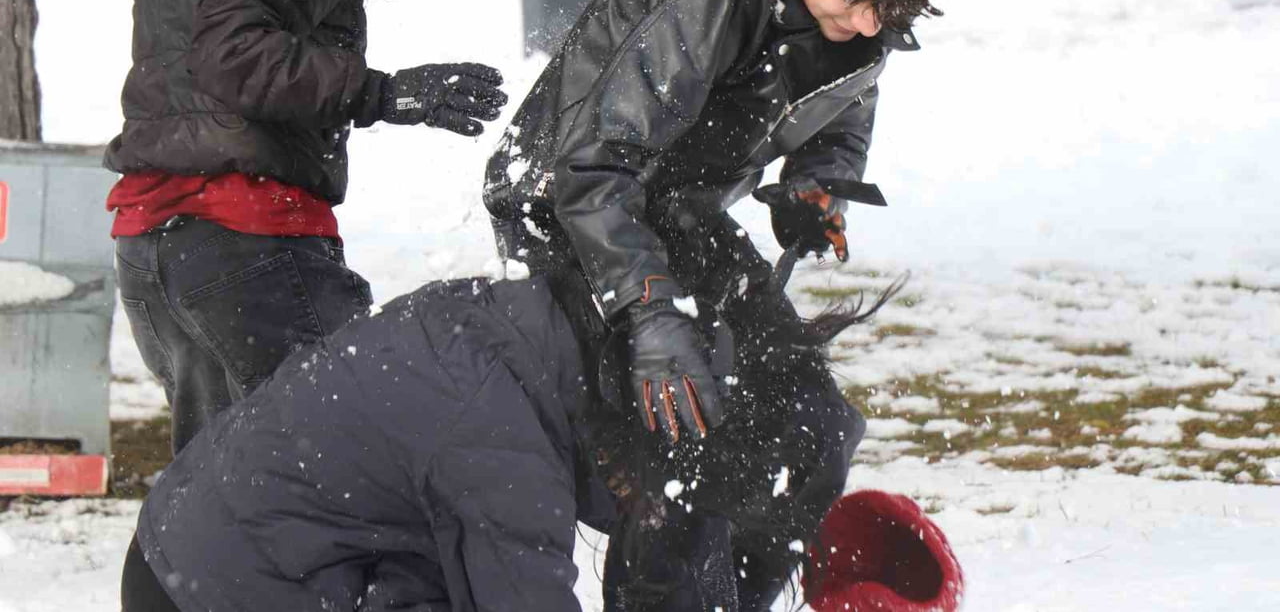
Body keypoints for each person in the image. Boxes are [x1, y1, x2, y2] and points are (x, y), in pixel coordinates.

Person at [483, 0, 952, 609]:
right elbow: (591, 168)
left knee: (815, 434)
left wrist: (820, 180)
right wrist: (649, 310)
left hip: (676, 207)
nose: (871, 24)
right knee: (695, 439)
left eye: (888, 9)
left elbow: (844, 90)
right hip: (572, 209)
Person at [118, 209, 890, 612]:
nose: (634, 505)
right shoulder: (506, 451)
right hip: (214, 591)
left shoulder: (527, 335)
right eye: (643, 489)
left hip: (204, 546)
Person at [104, 0, 506, 454]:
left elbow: (199, 28)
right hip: (247, 239)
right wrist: (383, 91)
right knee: (367, 468)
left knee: (217, 508)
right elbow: (232, 54)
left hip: (156, 252)